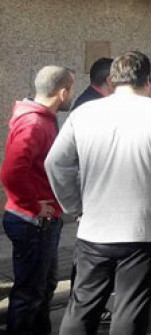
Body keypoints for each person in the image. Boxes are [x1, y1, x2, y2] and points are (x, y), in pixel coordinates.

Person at [45, 51, 151, 335]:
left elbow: (55, 162)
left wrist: (75, 206)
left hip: (95, 230)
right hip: (147, 232)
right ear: (148, 81)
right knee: (131, 308)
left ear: (113, 80)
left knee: (82, 307)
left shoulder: (84, 113)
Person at [0, 65, 74, 335]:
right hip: (33, 221)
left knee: (42, 288)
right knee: (29, 294)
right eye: (72, 89)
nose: (71, 95)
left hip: (40, 219)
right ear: (63, 91)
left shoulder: (40, 118)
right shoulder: (34, 123)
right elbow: (11, 171)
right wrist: (33, 204)